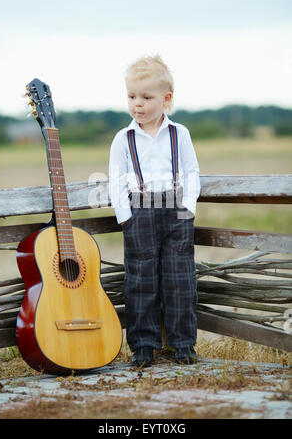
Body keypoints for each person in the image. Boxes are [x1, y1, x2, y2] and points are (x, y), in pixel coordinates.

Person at [108, 55, 200, 367]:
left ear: (166, 99)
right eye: (132, 96)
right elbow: (116, 180)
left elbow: (191, 173)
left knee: (180, 280)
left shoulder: (180, 134)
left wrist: (187, 207)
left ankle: (183, 344)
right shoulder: (124, 138)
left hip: (177, 213)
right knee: (140, 282)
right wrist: (125, 217)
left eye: (146, 97)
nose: (138, 104)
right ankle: (143, 346)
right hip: (139, 213)